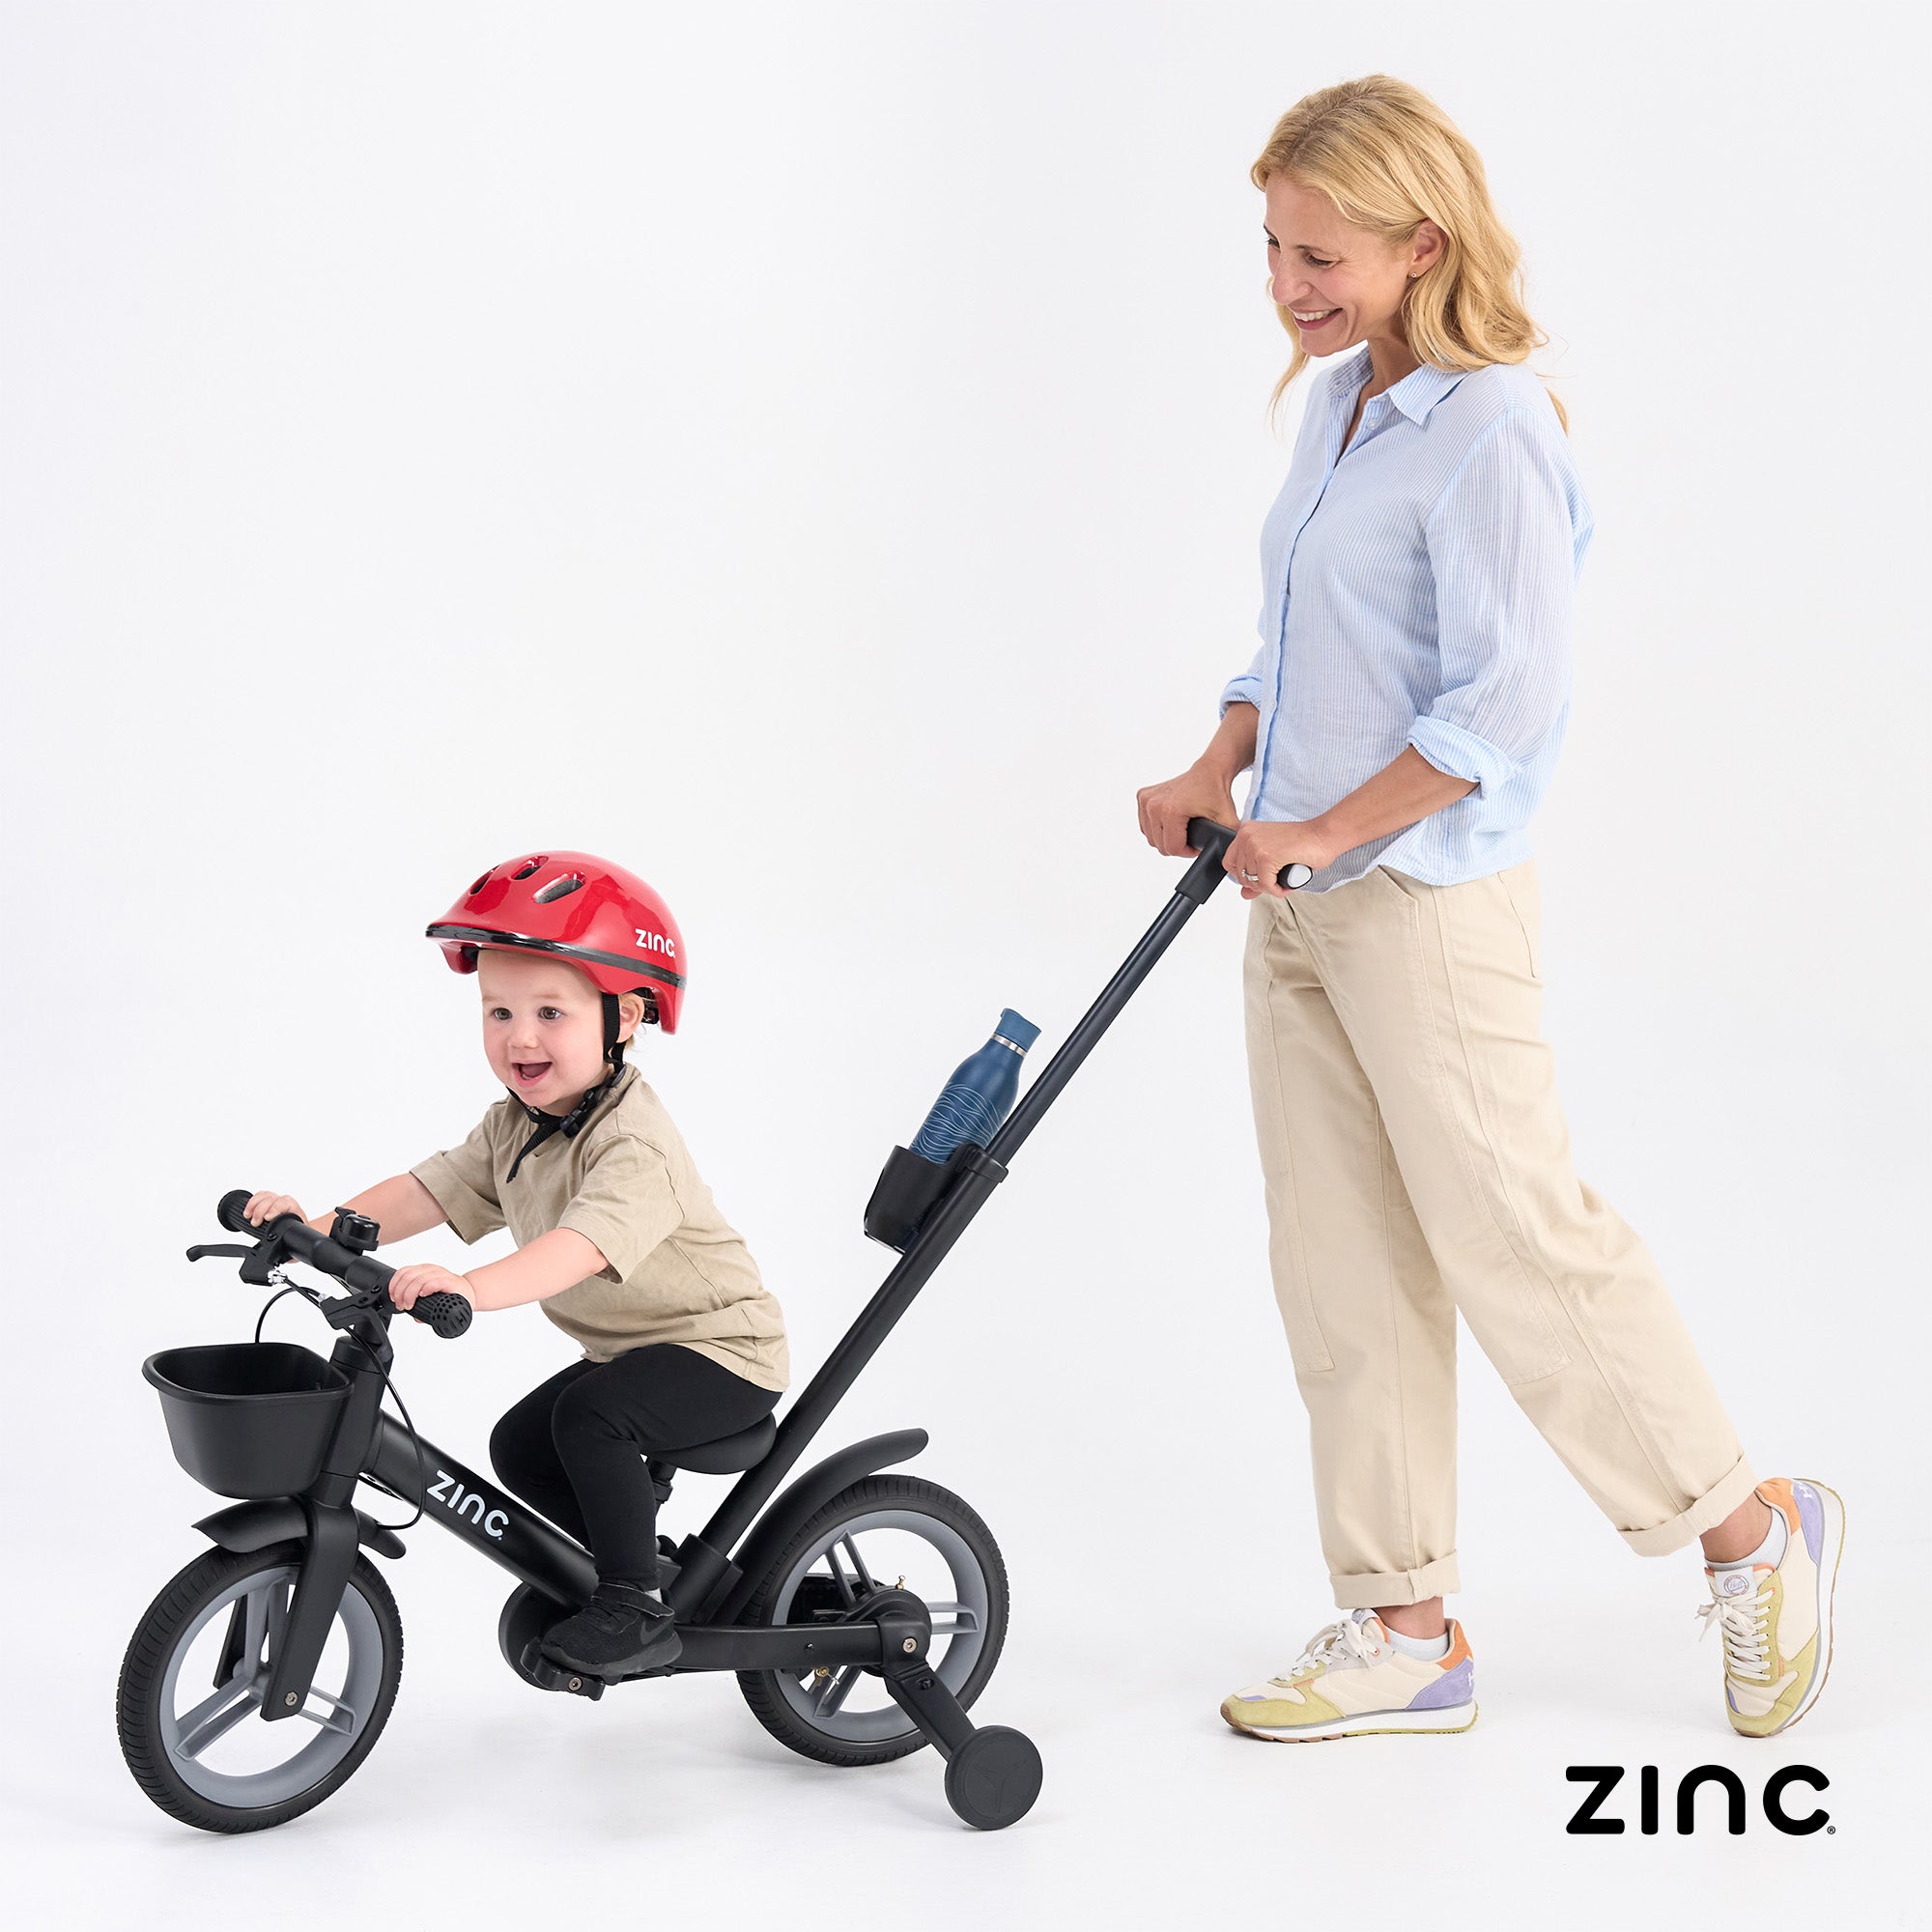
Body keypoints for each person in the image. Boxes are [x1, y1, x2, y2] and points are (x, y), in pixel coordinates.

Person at [1135, 75, 1840, 1744]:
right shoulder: (1334, 407)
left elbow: (1499, 709)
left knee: (1519, 1237)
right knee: (1340, 1262)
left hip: (1425, 908)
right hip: (1292, 898)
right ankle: (1405, 1627)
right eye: (1272, 248)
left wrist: (1322, 826)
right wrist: (1218, 763)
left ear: (1420, 241)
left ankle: (1754, 1534)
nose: (1288, 285)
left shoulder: (1495, 425)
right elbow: (1293, 645)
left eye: (1321, 253)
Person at [243, 850, 788, 1680]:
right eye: (498, 1012)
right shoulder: (517, 1123)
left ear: (626, 1017)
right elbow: (431, 1189)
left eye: (550, 1012)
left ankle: (634, 1606)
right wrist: (310, 1228)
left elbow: (576, 1250)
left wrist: (471, 1287)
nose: (519, 1037)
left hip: (722, 1353)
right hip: (635, 1352)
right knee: (521, 1449)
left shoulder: (633, 1143)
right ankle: (638, 1565)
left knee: (588, 1422)